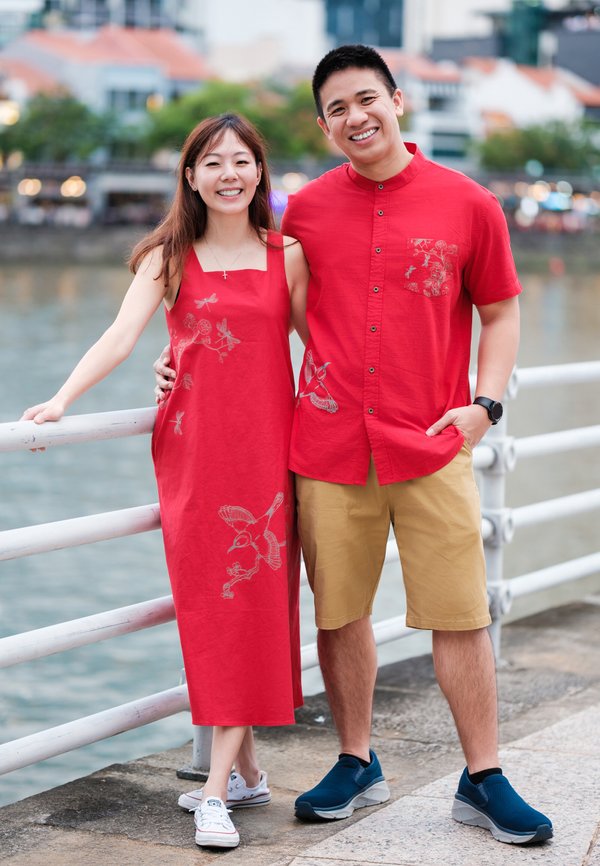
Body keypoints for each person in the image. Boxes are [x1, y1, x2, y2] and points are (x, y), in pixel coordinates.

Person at [157, 46, 553, 846]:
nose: (355, 118)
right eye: (337, 109)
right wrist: (178, 359)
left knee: (461, 614)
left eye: (366, 100)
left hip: (431, 438)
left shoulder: (470, 202)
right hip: (327, 445)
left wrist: (487, 404)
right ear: (323, 124)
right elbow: (247, 297)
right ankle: (356, 759)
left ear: (398, 100)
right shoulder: (302, 214)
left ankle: (484, 777)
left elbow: (502, 311)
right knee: (339, 616)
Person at [21, 113, 310, 850]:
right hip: (193, 452)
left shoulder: (289, 254)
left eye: (240, 161)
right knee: (210, 609)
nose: (227, 174)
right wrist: (62, 400)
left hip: (270, 458)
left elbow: (325, 350)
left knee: (254, 603)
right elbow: (121, 335)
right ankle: (242, 773)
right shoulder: (169, 255)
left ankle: (215, 791)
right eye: (211, 162)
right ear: (189, 176)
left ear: (258, 172)